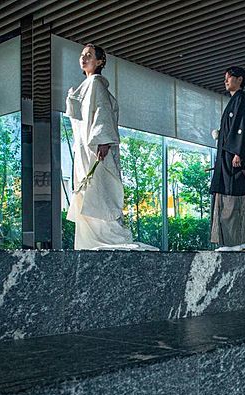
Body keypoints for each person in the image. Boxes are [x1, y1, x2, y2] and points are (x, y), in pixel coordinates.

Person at [65, 44, 157, 251]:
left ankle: (109, 238)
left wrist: (104, 140)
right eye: (82, 55)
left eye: (89, 55)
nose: (84, 58)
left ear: (99, 62)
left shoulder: (96, 83)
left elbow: (103, 112)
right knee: (89, 190)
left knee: (99, 190)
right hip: (85, 148)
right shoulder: (88, 84)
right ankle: (90, 241)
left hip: (96, 147)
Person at [210, 66, 245, 252]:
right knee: (227, 194)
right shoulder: (234, 101)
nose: (225, 81)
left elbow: (241, 126)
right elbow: (232, 127)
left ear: (239, 80)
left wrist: (238, 151)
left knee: (233, 194)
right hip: (227, 155)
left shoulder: (241, 99)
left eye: (229, 77)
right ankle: (231, 242)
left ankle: (235, 242)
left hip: (233, 157)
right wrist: (220, 134)